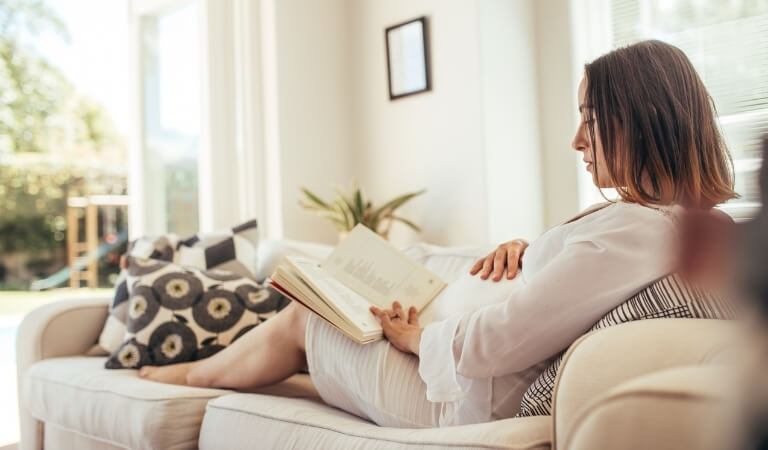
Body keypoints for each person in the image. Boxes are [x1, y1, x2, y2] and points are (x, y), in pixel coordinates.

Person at [138, 40, 737, 427]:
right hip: (453, 367)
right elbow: (565, 295)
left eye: (591, 121)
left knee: (305, 317)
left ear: (646, 122)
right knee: (326, 317)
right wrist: (529, 253)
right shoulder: (653, 226)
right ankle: (240, 367)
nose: (578, 141)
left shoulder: (641, 229)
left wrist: (415, 338)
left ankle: (188, 373)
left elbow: (501, 341)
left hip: (460, 393)